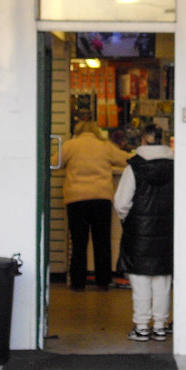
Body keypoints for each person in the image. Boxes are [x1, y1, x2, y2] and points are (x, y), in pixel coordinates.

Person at [53, 118, 129, 291]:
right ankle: (103, 281)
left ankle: (78, 283)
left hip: (76, 200)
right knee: (102, 242)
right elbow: (126, 160)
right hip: (101, 198)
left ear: (78, 131)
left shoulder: (70, 145)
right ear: (96, 131)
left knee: (79, 243)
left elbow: (54, 162)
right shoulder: (105, 146)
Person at [114, 125, 175, 342]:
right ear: (164, 140)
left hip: (139, 231)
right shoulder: (174, 166)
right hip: (167, 230)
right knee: (162, 281)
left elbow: (121, 202)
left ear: (143, 140)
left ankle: (141, 326)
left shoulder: (135, 166)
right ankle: (159, 325)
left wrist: (128, 220)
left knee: (140, 281)